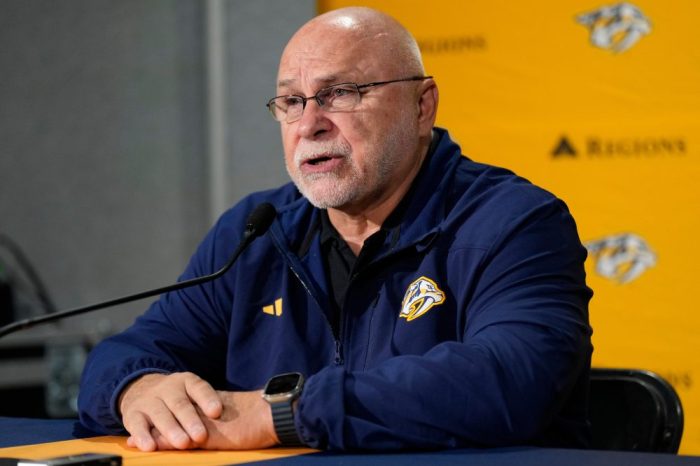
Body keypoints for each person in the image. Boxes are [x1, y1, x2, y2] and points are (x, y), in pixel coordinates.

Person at [78, 6, 593, 452]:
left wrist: (283, 413)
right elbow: (125, 355)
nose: (309, 124)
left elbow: (514, 379)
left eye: (341, 93)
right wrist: (137, 389)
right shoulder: (257, 232)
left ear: (422, 106)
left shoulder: (512, 222)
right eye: (291, 102)